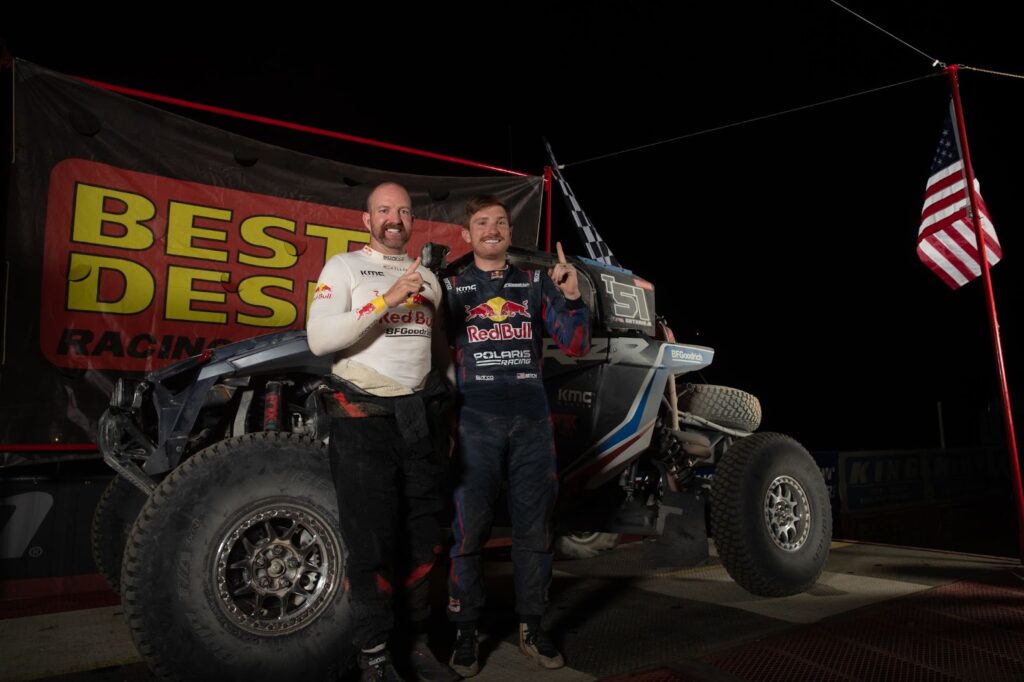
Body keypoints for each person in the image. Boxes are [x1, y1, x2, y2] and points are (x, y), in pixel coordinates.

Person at [307, 182, 456, 682]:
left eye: (405, 211)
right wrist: (388, 299)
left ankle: (415, 646)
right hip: (362, 419)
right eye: (385, 210)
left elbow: (439, 351)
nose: (396, 218)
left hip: (419, 421)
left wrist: (449, 413)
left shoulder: (429, 279)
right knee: (370, 543)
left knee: (422, 537)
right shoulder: (344, 267)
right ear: (366, 220)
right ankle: (373, 656)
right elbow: (320, 338)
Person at [441, 195, 590, 676]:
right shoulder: (452, 289)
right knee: (468, 532)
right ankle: (465, 631)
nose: (493, 229)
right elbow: (432, 356)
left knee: (535, 531)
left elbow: (576, 344)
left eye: (501, 222)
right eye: (482, 222)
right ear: (467, 234)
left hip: (531, 424)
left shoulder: (535, 283)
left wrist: (572, 297)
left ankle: (532, 626)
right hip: (474, 423)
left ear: (509, 232)